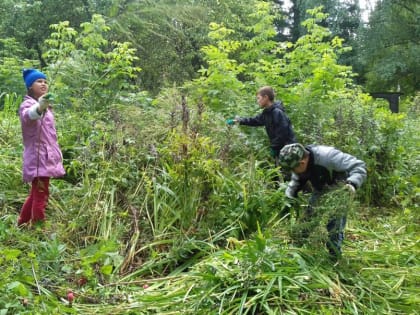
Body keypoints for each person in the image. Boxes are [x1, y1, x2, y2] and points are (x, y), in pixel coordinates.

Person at [278, 143, 367, 259]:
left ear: (302, 162)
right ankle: (296, 249)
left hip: (340, 190)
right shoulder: (299, 164)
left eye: (293, 169)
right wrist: (289, 197)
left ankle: (334, 256)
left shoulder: (328, 156)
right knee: (308, 218)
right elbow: (296, 180)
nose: (293, 172)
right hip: (320, 188)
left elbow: (359, 166)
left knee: (334, 225)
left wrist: (352, 183)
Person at [17, 69, 65, 226]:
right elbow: (29, 115)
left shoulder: (47, 106)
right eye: (39, 81)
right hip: (38, 158)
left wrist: (43, 106)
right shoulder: (28, 104)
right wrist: (39, 107)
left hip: (46, 156)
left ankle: (22, 224)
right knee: (41, 194)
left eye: (45, 81)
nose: (43, 84)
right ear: (30, 86)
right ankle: (39, 229)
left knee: (35, 194)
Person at [227, 86, 296, 160]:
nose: (257, 101)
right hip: (280, 150)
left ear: (266, 97)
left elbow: (282, 133)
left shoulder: (277, 112)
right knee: (280, 170)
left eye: (258, 98)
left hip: (289, 150)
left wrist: (274, 147)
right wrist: (238, 121)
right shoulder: (266, 113)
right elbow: (254, 120)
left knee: (290, 170)